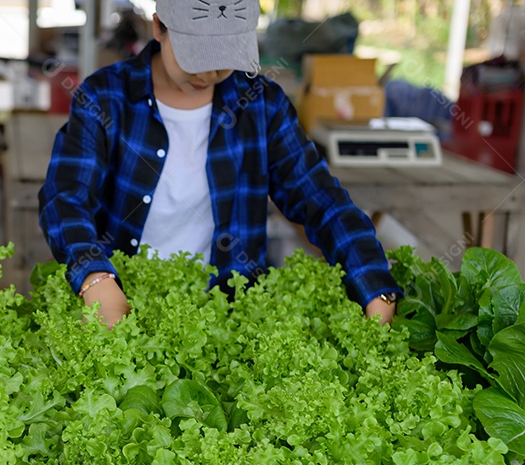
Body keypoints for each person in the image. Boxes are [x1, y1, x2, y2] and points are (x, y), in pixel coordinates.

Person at [39, 0, 402, 328]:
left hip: (228, 312)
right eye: (195, 57)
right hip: (123, 300)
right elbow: (65, 197)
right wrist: (95, 277)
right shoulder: (105, 97)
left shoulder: (262, 104)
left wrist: (373, 285)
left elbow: (320, 198)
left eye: (223, 59)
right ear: (158, 27)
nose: (208, 74)